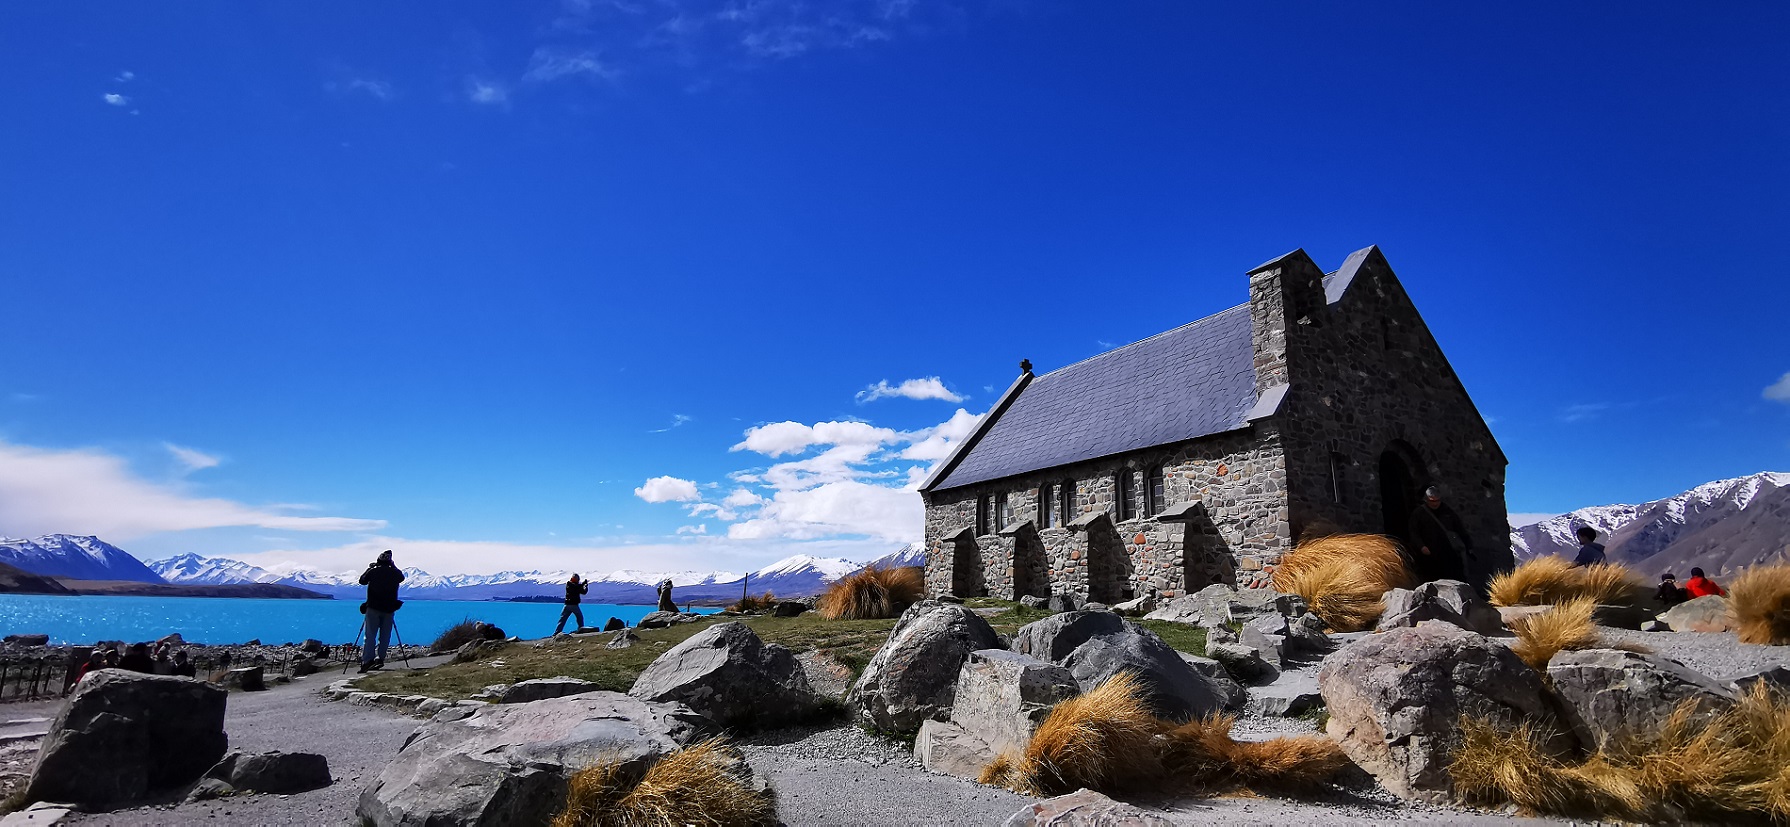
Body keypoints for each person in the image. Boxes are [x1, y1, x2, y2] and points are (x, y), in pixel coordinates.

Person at [1408, 485, 1473, 583]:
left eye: (1437, 500)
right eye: (1432, 501)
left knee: (1454, 578)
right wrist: (1421, 546)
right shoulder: (1419, 513)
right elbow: (1414, 532)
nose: (1435, 503)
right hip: (1430, 555)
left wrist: (1468, 545)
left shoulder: (1447, 511)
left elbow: (1460, 528)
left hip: (1449, 553)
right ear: (1426, 500)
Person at [358, 549, 406, 673]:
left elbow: (362, 580)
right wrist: (393, 565)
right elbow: (402, 577)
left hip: (373, 607)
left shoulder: (373, 572)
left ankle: (368, 660)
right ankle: (380, 658)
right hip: (389, 608)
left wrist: (370, 568)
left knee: (370, 635)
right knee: (385, 636)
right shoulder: (395, 573)